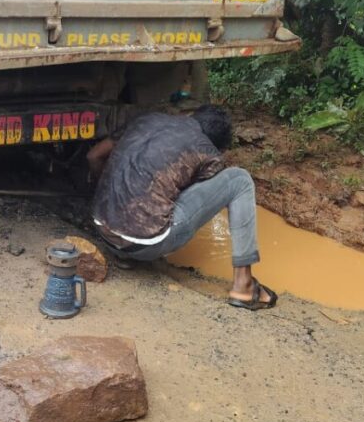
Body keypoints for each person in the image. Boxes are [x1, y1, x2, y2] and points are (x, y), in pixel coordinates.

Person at [88, 105, 274, 309]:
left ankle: (122, 253)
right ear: (218, 145)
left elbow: (94, 156)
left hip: (102, 229)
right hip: (143, 243)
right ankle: (244, 285)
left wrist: (115, 204)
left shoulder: (147, 118)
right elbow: (192, 196)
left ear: (192, 117)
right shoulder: (207, 151)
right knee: (240, 179)